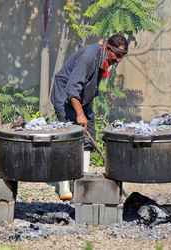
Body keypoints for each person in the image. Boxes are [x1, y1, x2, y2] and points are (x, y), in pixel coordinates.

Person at [51, 35, 129, 200]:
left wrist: (86, 112)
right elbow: (72, 87)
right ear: (108, 48)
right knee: (69, 139)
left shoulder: (103, 58)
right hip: (65, 98)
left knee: (88, 137)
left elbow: (90, 85)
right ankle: (64, 186)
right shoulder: (88, 57)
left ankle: (81, 181)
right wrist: (79, 114)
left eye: (122, 56)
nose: (119, 60)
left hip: (83, 100)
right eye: (117, 55)